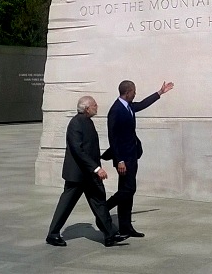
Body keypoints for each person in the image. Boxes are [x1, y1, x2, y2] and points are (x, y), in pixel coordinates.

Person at [46, 96, 129, 247]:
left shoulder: (87, 121)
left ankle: (110, 235)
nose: (97, 107)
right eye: (94, 105)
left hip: (89, 175)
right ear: (86, 108)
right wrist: (96, 168)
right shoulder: (75, 123)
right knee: (66, 205)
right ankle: (52, 235)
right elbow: (78, 150)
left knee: (99, 202)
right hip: (77, 175)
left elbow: (89, 147)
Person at [103, 80, 174, 237]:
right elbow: (112, 137)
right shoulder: (116, 110)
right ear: (127, 92)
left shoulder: (128, 107)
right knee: (128, 189)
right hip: (123, 159)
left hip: (132, 155)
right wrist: (119, 160)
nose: (135, 93)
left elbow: (141, 104)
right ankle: (103, 207)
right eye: (134, 91)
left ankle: (125, 227)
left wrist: (160, 92)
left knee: (127, 192)